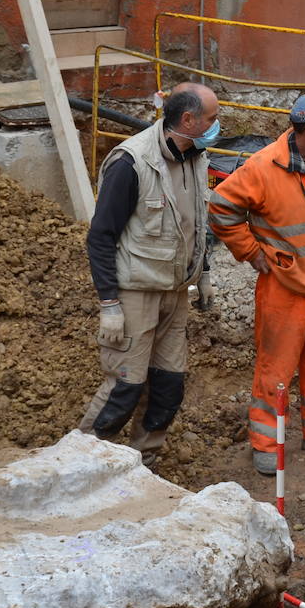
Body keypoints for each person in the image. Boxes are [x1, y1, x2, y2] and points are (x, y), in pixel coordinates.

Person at [208, 90, 305, 475]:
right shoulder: (263, 168)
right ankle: (266, 443)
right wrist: (253, 253)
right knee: (276, 370)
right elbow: (221, 208)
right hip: (285, 287)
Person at [78, 82, 220, 466]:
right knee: (125, 385)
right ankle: (83, 461)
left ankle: (144, 461)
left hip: (175, 293)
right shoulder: (132, 163)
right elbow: (101, 237)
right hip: (134, 294)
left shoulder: (196, 156)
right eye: (211, 118)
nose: (216, 124)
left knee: (168, 386)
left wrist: (202, 273)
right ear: (188, 120)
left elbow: (196, 222)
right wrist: (109, 304)